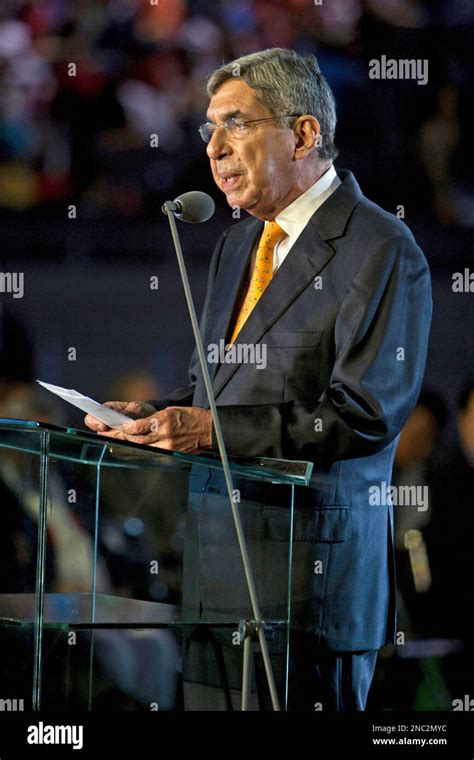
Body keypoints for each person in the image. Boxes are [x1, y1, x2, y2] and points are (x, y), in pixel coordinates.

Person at [85, 48, 432, 711]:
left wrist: (208, 428)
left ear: (303, 134)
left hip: (309, 594)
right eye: (209, 129)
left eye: (235, 124)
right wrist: (154, 415)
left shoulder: (381, 248)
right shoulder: (237, 245)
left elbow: (364, 414)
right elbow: (212, 394)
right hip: (214, 585)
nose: (213, 149)